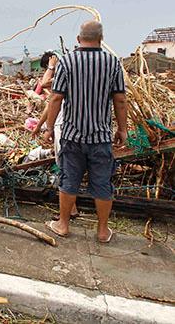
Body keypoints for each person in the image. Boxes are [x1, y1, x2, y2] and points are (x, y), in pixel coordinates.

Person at [44, 20, 127, 243]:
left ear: (79, 39)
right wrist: (123, 129)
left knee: (69, 180)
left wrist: (49, 128)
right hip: (100, 137)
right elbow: (120, 99)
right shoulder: (112, 63)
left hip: (72, 135)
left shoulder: (67, 61)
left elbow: (56, 97)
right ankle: (102, 231)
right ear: (101, 39)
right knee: (102, 183)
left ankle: (63, 225)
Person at [33, 51, 79, 219]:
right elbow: (51, 104)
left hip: (64, 127)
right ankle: (71, 208)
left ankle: (68, 212)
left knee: (65, 168)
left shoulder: (64, 75)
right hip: (66, 127)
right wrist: (39, 126)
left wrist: (52, 66)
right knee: (67, 167)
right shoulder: (68, 77)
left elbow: (44, 83)